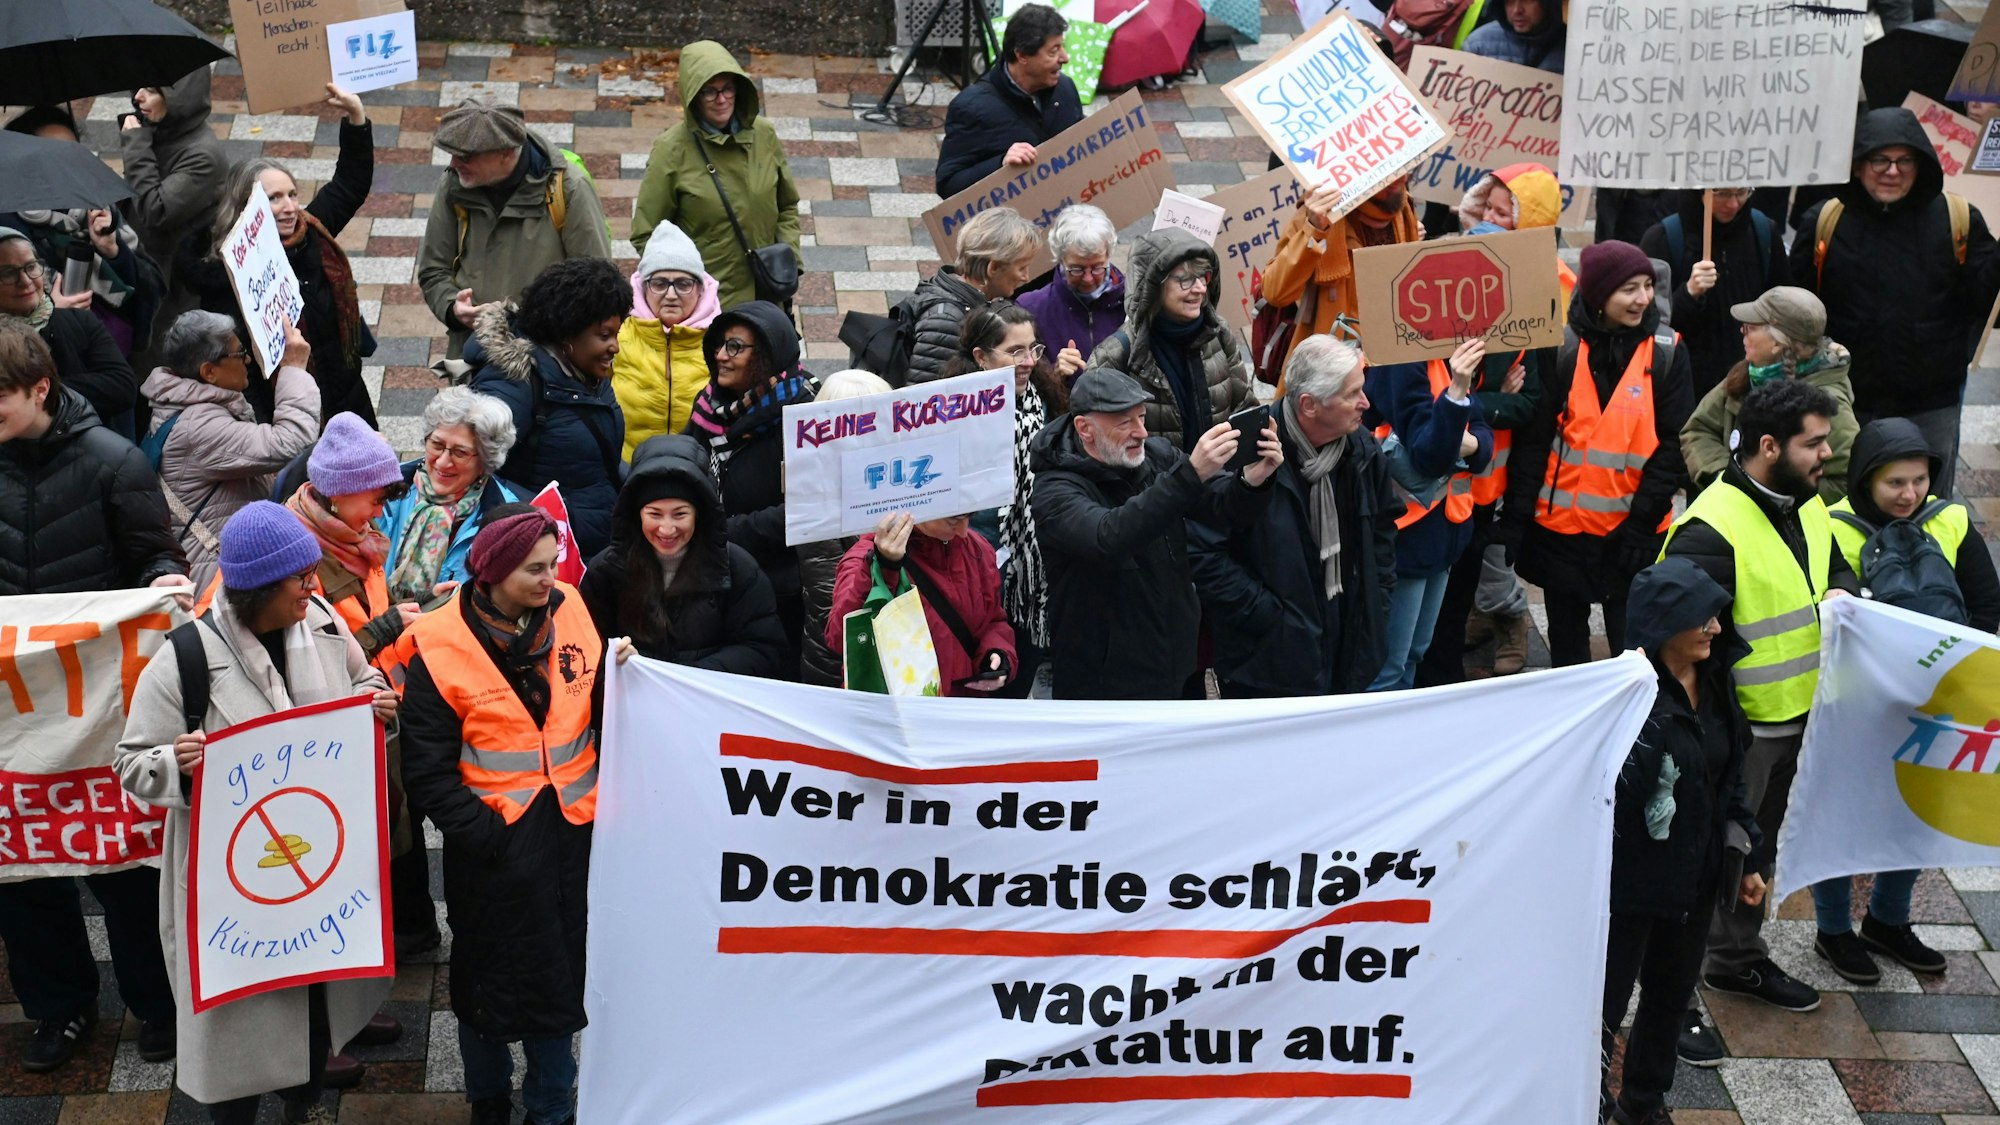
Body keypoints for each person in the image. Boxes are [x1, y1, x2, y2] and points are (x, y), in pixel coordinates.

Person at [114, 503, 398, 1123]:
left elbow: (363, 682)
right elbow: (132, 765)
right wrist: (175, 764)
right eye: (300, 578)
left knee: (310, 1030)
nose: (314, 587)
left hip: (316, 878)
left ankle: (303, 1109)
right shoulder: (183, 660)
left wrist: (375, 705)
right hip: (233, 894)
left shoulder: (321, 623)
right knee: (238, 1048)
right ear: (259, 588)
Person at [0, 321, 184, 1074]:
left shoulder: (114, 463)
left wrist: (162, 584)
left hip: (100, 707)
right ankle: (59, 1005)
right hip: (14, 712)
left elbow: (153, 554)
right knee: (22, 871)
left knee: (122, 865)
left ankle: (159, 1002)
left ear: (40, 388)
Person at [400, 509, 619, 1125]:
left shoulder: (572, 606)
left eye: (553, 564)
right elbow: (428, 773)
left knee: (562, 982)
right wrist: (487, 838)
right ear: (494, 572)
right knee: (486, 986)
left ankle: (551, 1108)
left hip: (574, 831)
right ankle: (489, 1100)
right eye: (535, 569)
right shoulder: (439, 646)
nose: (552, 578)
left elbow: (598, 706)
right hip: (493, 851)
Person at [1663, 379, 1860, 1026]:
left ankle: (1734, 956)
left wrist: (1840, 588)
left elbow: (1835, 562)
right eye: (1815, 442)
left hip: (1798, 715)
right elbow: (1682, 647)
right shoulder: (1709, 529)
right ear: (1769, 446)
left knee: (1757, 852)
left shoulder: (1806, 500)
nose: (1827, 453)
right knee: (1702, 862)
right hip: (1738, 732)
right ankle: (1673, 1000)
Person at [1807, 419, 1999, 986]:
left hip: (1934, 703)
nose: (1910, 494)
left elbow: (1987, 607)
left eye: (1919, 481)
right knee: (1844, 813)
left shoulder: (1953, 520)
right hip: (1858, 704)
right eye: (1896, 482)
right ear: (1867, 480)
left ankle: (1887, 921)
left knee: (1915, 811)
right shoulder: (1828, 528)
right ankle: (1833, 929)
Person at [1602, 558, 1760, 1125]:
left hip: (1696, 878)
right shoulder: (1623, 699)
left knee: (1669, 999)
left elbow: (1731, 777)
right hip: (1631, 888)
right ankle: (1584, 1103)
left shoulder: (1717, 682)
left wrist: (1747, 860)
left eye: (1718, 618)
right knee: (1603, 1009)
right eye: (1704, 619)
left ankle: (1643, 1104)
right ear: (1664, 624)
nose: (1716, 630)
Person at [1496, 240, 1694, 666]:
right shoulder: (1560, 347)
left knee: (1632, 656)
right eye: (1629, 289)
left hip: (1631, 536)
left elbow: (1674, 445)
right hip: (1560, 534)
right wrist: (1516, 518)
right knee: (1568, 655)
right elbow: (1534, 442)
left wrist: (1642, 525)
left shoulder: (1667, 352)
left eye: (1647, 286)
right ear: (1598, 296)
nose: (1643, 298)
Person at [1029, 368, 1282, 699]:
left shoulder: (1157, 456)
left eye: (1143, 417)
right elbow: (1109, 538)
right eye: (1125, 423)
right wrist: (1190, 473)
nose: (1142, 432)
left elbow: (1222, 508)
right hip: (1104, 685)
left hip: (1177, 663)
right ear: (1085, 429)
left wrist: (1252, 479)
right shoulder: (1054, 489)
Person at [1791, 106, 2000, 499]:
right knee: (1841, 504)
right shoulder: (1825, 221)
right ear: (1857, 165)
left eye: (1905, 160)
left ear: (1921, 166)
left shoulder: (1958, 219)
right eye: (1880, 160)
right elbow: (1795, 304)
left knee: (1924, 504)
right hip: (1844, 400)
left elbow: (1983, 297)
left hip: (1930, 401)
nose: (1892, 171)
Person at [1190, 336, 1398, 697]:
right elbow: (1204, 553)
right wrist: (1268, 617)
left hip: (1346, 651)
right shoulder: (1245, 451)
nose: (1366, 403)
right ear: (1309, 405)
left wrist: (1375, 602)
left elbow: (1382, 534)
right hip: (1266, 668)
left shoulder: (1362, 449)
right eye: (1353, 394)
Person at [177, 85, 377, 426]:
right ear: (246, 207)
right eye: (273, 198)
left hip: (346, 402)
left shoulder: (309, 231)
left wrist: (356, 117)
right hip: (286, 418)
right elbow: (242, 374)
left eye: (292, 194)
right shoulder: (227, 281)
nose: (289, 208)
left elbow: (349, 185)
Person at [940, 303, 1075, 690]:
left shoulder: (1045, 400)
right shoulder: (950, 414)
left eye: (1033, 349)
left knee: (1020, 677)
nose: (1029, 362)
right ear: (981, 357)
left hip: (1035, 573)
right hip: (976, 571)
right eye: (1014, 352)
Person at [684, 300, 820, 677]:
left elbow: (805, 510)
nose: (720, 356)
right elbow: (687, 462)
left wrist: (722, 533)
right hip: (715, 575)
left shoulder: (803, 418)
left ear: (768, 356)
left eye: (735, 347)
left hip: (778, 589)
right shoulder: (709, 405)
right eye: (719, 345)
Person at [419, 98, 613, 359]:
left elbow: (597, 285)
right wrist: (452, 308)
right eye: (451, 153)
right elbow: (434, 269)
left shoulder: (569, 189)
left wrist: (529, 327)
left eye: (465, 156)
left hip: (547, 360)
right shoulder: (454, 183)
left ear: (506, 153)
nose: (453, 164)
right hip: (477, 356)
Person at [142, 311, 320, 593]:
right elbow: (292, 440)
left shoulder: (191, 403)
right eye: (240, 354)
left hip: (229, 561)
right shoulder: (197, 427)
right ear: (209, 372)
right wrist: (294, 368)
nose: (248, 360)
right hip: (215, 579)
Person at [464, 257, 630, 559]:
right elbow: (474, 474)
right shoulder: (514, 385)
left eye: (616, 334)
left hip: (595, 543)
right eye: (604, 336)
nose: (615, 347)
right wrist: (550, 520)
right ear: (567, 333)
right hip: (550, 555)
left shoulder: (586, 371)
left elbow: (597, 460)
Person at [580, 432, 786, 674]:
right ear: (637, 514)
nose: (667, 529)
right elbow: (585, 652)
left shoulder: (738, 569)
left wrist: (682, 676)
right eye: (654, 514)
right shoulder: (606, 570)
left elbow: (763, 651)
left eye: (680, 514)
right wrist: (620, 660)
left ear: (698, 513)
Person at [631, 42, 803, 310]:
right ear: (693, 96)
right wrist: (684, 291)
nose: (721, 99)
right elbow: (647, 234)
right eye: (709, 91)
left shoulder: (764, 135)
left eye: (727, 88)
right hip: (708, 309)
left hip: (767, 295)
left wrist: (788, 261)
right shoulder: (671, 149)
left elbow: (787, 207)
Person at [1366, 340, 1495, 691]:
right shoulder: (1399, 361)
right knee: (1390, 666)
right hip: (1407, 537)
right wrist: (1456, 395)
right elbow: (1430, 455)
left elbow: (1483, 438)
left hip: (1443, 533)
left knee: (1414, 654)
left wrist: (1467, 442)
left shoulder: (1439, 355)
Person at [5, 105, 166, 359]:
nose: (67, 164)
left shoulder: (95, 202)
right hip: (60, 368)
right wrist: (52, 314)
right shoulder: (9, 226)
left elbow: (150, 288)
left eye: (73, 152)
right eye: (53, 155)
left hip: (117, 358)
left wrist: (113, 251)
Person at [1085, 227, 1255, 453]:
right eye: (1185, 280)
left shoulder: (1218, 332)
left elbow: (1243, 407)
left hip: (1219, 483)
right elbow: (1099, 448)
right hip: (1156, 487)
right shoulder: (1114, 355)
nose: (1200, 288)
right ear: (1153, 286)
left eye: (1203, 277)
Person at [276, 413, 418, 683]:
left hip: (385, 691)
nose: (380, 511)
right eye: (376, 500)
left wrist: (421, 599)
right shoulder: (295, 559)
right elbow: (314, 669)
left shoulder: (357, 532)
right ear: (338, 493)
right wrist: (381, 631)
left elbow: (375, 603)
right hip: (354, 703)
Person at [1681, 287, 1856, 505]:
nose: (1742, 332)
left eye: (1751, 328)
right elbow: (1699, 429)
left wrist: (1773, 499)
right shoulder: (1749, 372)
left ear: (1777, 343)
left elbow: (1847, 482)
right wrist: (1725, 479)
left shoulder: (1827, 402)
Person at [829, 509, 1017, 696]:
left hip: (963, 709)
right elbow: (842, 639)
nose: (963, 531)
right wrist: (885, 568)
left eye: (970, 516)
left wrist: (996, 653)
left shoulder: (977, 549)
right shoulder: (866, 556)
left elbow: (992, 619)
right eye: (953, 520)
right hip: (899, 711)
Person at [1261, 176, 1423, 379]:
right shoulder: (1319, 214)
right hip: (1333, 372)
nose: (1403, 177)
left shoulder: (1403, 208)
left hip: (1392, 363)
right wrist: (1313, 229)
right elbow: (1274, 292)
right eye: (1392, 175)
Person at [1640, 188, 1792, 400]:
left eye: (1742, 192)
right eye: (1720, 194)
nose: (1733, 204)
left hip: (1754, 379)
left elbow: (1784, 305)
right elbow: (1647, 322)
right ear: (1699, 192)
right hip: (1688, 386)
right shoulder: (1663, 239)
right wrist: (1689, 293)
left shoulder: (1763, 232)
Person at [379, 387, 524, 605]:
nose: (443, 462)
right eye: (437, 444)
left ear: (485, 460)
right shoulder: (386, 487)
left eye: (460, 452)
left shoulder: (506, 520)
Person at [796, 369, 892, 687]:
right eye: (862, 424)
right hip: (844, 667)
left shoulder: (896, 480)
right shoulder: (814, 496)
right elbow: (830, 606)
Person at [0, 226, 140, 441]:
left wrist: (38, 390)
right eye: (9, 273)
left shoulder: (77, 320)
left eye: (31, 266)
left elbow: (122, 386)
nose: (26, 280)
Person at [934, 4, 1084, 198]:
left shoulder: (1065, 89)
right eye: (1053, 51)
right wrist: (1001, 165)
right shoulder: (972, 107)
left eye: (1062, 47)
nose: (1065, 57)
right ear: (1021, 55)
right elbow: (948, 185)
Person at [613, 220, 721, 459]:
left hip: (702, 477)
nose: (671, 295)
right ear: (643, 287)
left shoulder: (723, 341)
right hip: (626, 475)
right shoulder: (615, 336)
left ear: (700, 289)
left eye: (683, 284)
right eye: (660, 283)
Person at [117, 70, 225, 302]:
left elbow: (154, 211)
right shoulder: (160, 131)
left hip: (169, 285)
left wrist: (136, 148)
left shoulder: (203, 157)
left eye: (152, 91)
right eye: (138, 87)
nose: (138, 96)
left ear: (180, 99)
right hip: (143, 266)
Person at [900, 206, 1041, 385]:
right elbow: (924, 399)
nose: (1026, 277)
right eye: (1021, 268)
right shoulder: (946, 321)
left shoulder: (975, 303)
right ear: (994, 268)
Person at [1013, 203, 1126, 369]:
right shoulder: (1031, 308)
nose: (1088, 279)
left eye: (1097, 268)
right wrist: (1054, 374)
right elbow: (1023, 380)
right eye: (1077, 269)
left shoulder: (1133, 301)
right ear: (1060, 259)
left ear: (1109, 255)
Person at [1459, 0, 1566, 71]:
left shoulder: (1572, 47)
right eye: (1509, 2)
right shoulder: (1478, 44)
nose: (1517, 10)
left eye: (1527, 1)